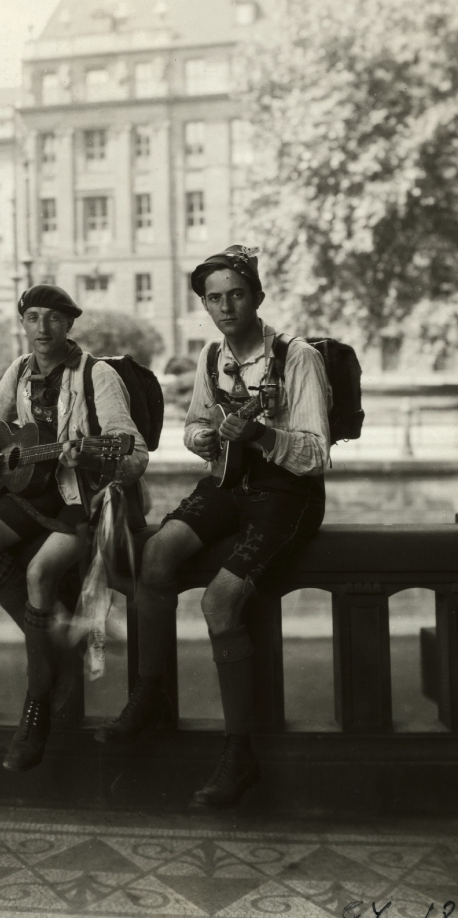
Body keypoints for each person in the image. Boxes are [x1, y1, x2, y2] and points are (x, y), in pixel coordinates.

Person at [95, 245, 330, 807]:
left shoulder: (296, 359)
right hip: (229, 483)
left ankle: (239, 752)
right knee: (155, 557)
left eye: (236, 295)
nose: (226, 306)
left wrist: (263, 436)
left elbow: (316, 455)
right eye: (214, 298)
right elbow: (197, 426)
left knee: (219, 602)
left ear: (258, 296)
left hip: (286, 493)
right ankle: (150, 695)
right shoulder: (210, 357)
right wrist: (205, 437)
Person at [0, 284, 148, 772]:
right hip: (32, 490)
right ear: (23, 324)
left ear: (69, 325)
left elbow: (134, 450)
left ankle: (36, 709)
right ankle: (56, 634)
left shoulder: (97, 375)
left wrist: (88, 451)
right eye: (33, 318)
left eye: (53, 319)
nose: (42, 329)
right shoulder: (19, 371)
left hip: (82, 498)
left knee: (42, 572)